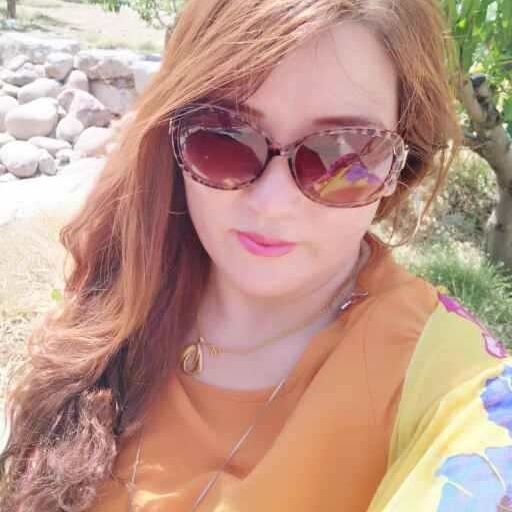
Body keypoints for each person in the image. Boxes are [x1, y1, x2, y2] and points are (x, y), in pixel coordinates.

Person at [1, 0, 511, 510]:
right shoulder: (121, 286)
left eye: (343, 153)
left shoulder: (460, 391)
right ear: (172, 135)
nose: (272, 203)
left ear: (402, 163)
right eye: (224, 136)